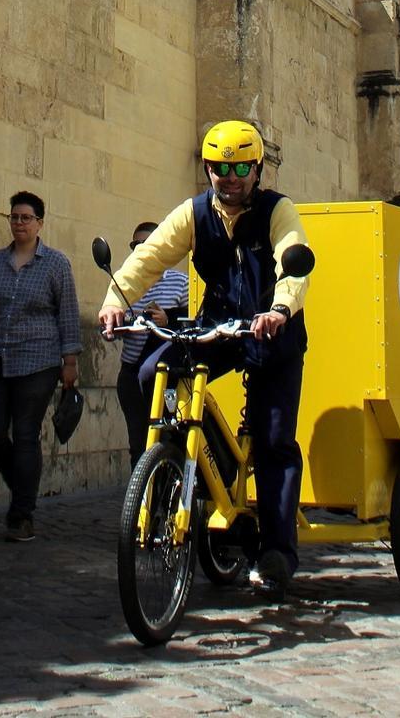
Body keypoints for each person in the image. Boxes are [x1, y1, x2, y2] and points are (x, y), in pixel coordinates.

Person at [97, 120, 310, 592]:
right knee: (155, 372)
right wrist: (115, 301)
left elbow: (293, 257)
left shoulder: (278, 210)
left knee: (274, 439)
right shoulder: (194, 215)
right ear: (208, 169)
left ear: (256, 169)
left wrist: (280, 308)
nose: (229, 177)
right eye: (219, 167)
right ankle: (203, 461)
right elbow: (149, 258)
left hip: (272, 331)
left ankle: (277, 550)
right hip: (219, 327)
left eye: (239, 167)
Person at [0, 191, 80, 543]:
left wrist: (69, 362)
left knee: (25, 434)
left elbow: (68, 315)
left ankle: (21, 514)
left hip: (38, 361)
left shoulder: (56, 264)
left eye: (26, 218)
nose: (19, 223)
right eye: (14, 217)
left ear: (40, 223)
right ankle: (25, 488)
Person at [115, 222, 189, 466]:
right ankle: (141, 498)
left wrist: (167, 319)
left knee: (167, 436)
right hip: (131, 372)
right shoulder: (126, 284)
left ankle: (166, 493)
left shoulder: (181, 282)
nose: (140, 249)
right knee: (138, 441)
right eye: (135, 245)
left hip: (166, 376)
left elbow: (193, 323)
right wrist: (119, 322)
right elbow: (110, 325)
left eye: (146, 244)